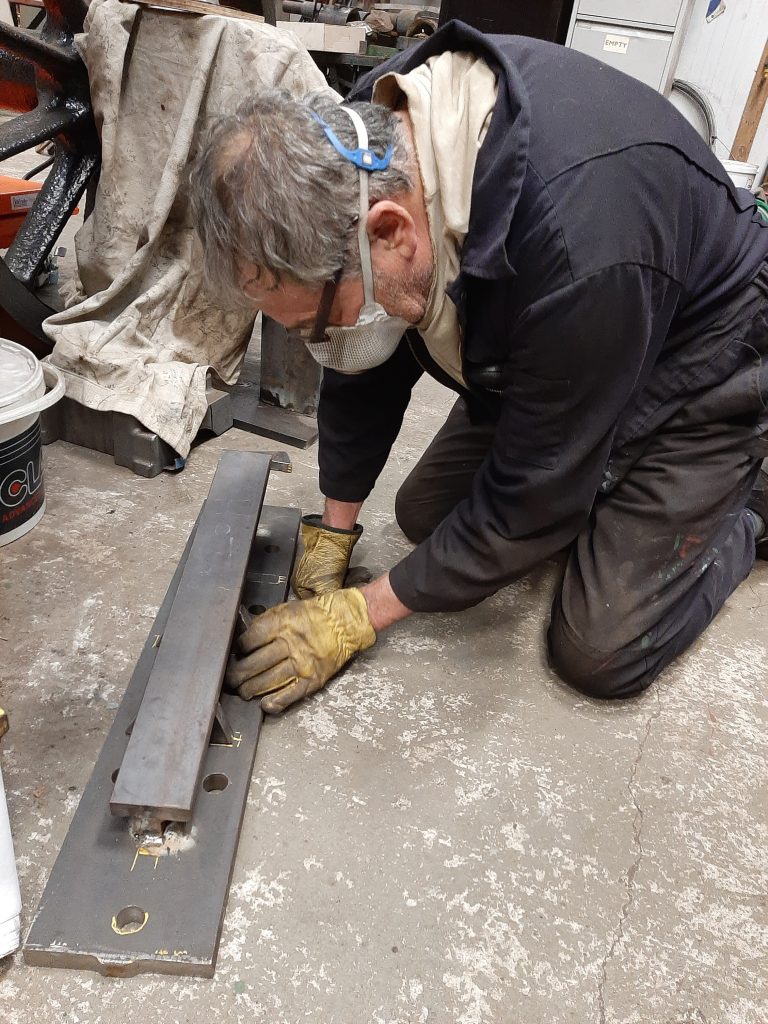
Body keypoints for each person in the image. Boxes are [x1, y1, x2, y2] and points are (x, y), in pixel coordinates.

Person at [190, 20, 768, 715]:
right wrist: (334, 528)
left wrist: (359, 615)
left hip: (702, 356)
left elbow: (531, 500)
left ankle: (744, 510)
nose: (320, 340)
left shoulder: (577, 247)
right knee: (427, 515)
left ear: (392, 232)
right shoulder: (364, 138)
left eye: (316, 320)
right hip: (576, 339)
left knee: (598, 649)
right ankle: (597, 463)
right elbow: (362, 359)